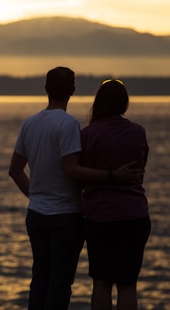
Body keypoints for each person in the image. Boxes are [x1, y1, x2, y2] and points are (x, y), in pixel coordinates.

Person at [8, 67, 142, 310]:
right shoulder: (69, 124)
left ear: (46, 89)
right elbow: (72, 170)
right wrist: (113, 175)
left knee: (40, 279)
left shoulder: (30, 123)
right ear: (72, 90)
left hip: (36, 214)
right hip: (65, 215)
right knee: (59, 283)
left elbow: (15, 170)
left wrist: (36, 196)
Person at [80, 79, 151, 310]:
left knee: (101, 283)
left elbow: (79, 176)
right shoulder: (138, 132)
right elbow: (141, 170)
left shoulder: (87, 135)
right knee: (128, 284)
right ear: (124, 103)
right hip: (135, 216)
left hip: (101, 217)